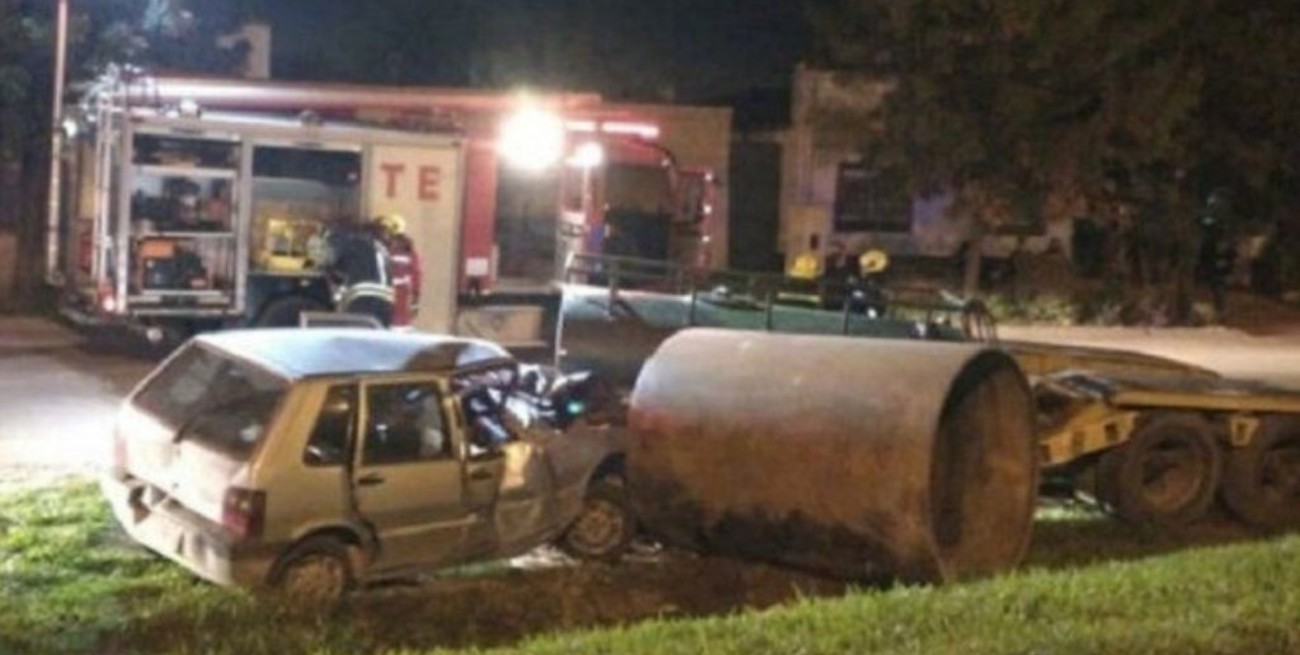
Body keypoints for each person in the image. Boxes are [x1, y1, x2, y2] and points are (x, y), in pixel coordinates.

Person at [325, 219, 394, 327]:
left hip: (363, 298)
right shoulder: (383, 250)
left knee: (358, 331)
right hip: (386, 302)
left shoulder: (357, 244)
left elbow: (333, 263)